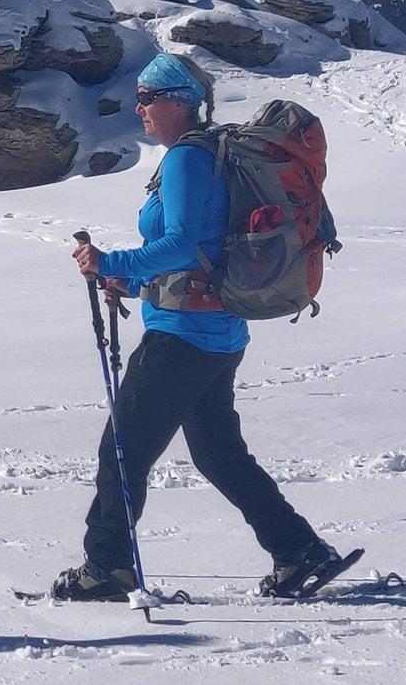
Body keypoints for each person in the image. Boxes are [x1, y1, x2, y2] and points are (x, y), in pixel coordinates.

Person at [52, 52, 342, 601]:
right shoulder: (212, 153)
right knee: (218, 455)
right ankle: (298, 550)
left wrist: (109, 263)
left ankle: (106, 568)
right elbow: (201, 250)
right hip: (218, 330)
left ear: (179, 102)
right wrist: (134, 285)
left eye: (147, 97)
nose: (138, 107)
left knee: (123, 449)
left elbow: (182, 244)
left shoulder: (188, 158)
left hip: (182, 336)